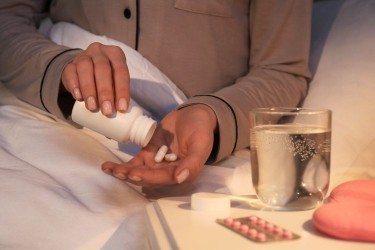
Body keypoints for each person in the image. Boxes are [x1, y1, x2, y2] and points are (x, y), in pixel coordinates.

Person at [0, 0, 313, 187]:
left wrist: (212, 114)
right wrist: (61, 69)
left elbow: (282, 70)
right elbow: (6, 20)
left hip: (201, 155)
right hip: (53, 125)